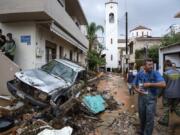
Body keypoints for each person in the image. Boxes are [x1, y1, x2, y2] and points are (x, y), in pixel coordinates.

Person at [133, 58, 166, 135]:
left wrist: (150, 84)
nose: (151, 66)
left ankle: (147, 133)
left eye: (152, 64)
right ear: (144, 66)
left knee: (150, 118)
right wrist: (137, 90)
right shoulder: (140, 74)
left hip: (151, 99)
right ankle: (142, 130)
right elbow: (134, 84)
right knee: (142, 116)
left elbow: (163, 84)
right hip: (141, 98)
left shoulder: (155, 73)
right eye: (149, 65)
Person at [158, 60, 180, 127]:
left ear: (165, 65)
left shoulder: (165, 73)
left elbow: (163, 85)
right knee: (176, 107)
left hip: (168, 94)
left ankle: (165, 121)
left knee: (166, 107)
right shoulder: (178, 72)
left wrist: (159, 94)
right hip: (177, 94)